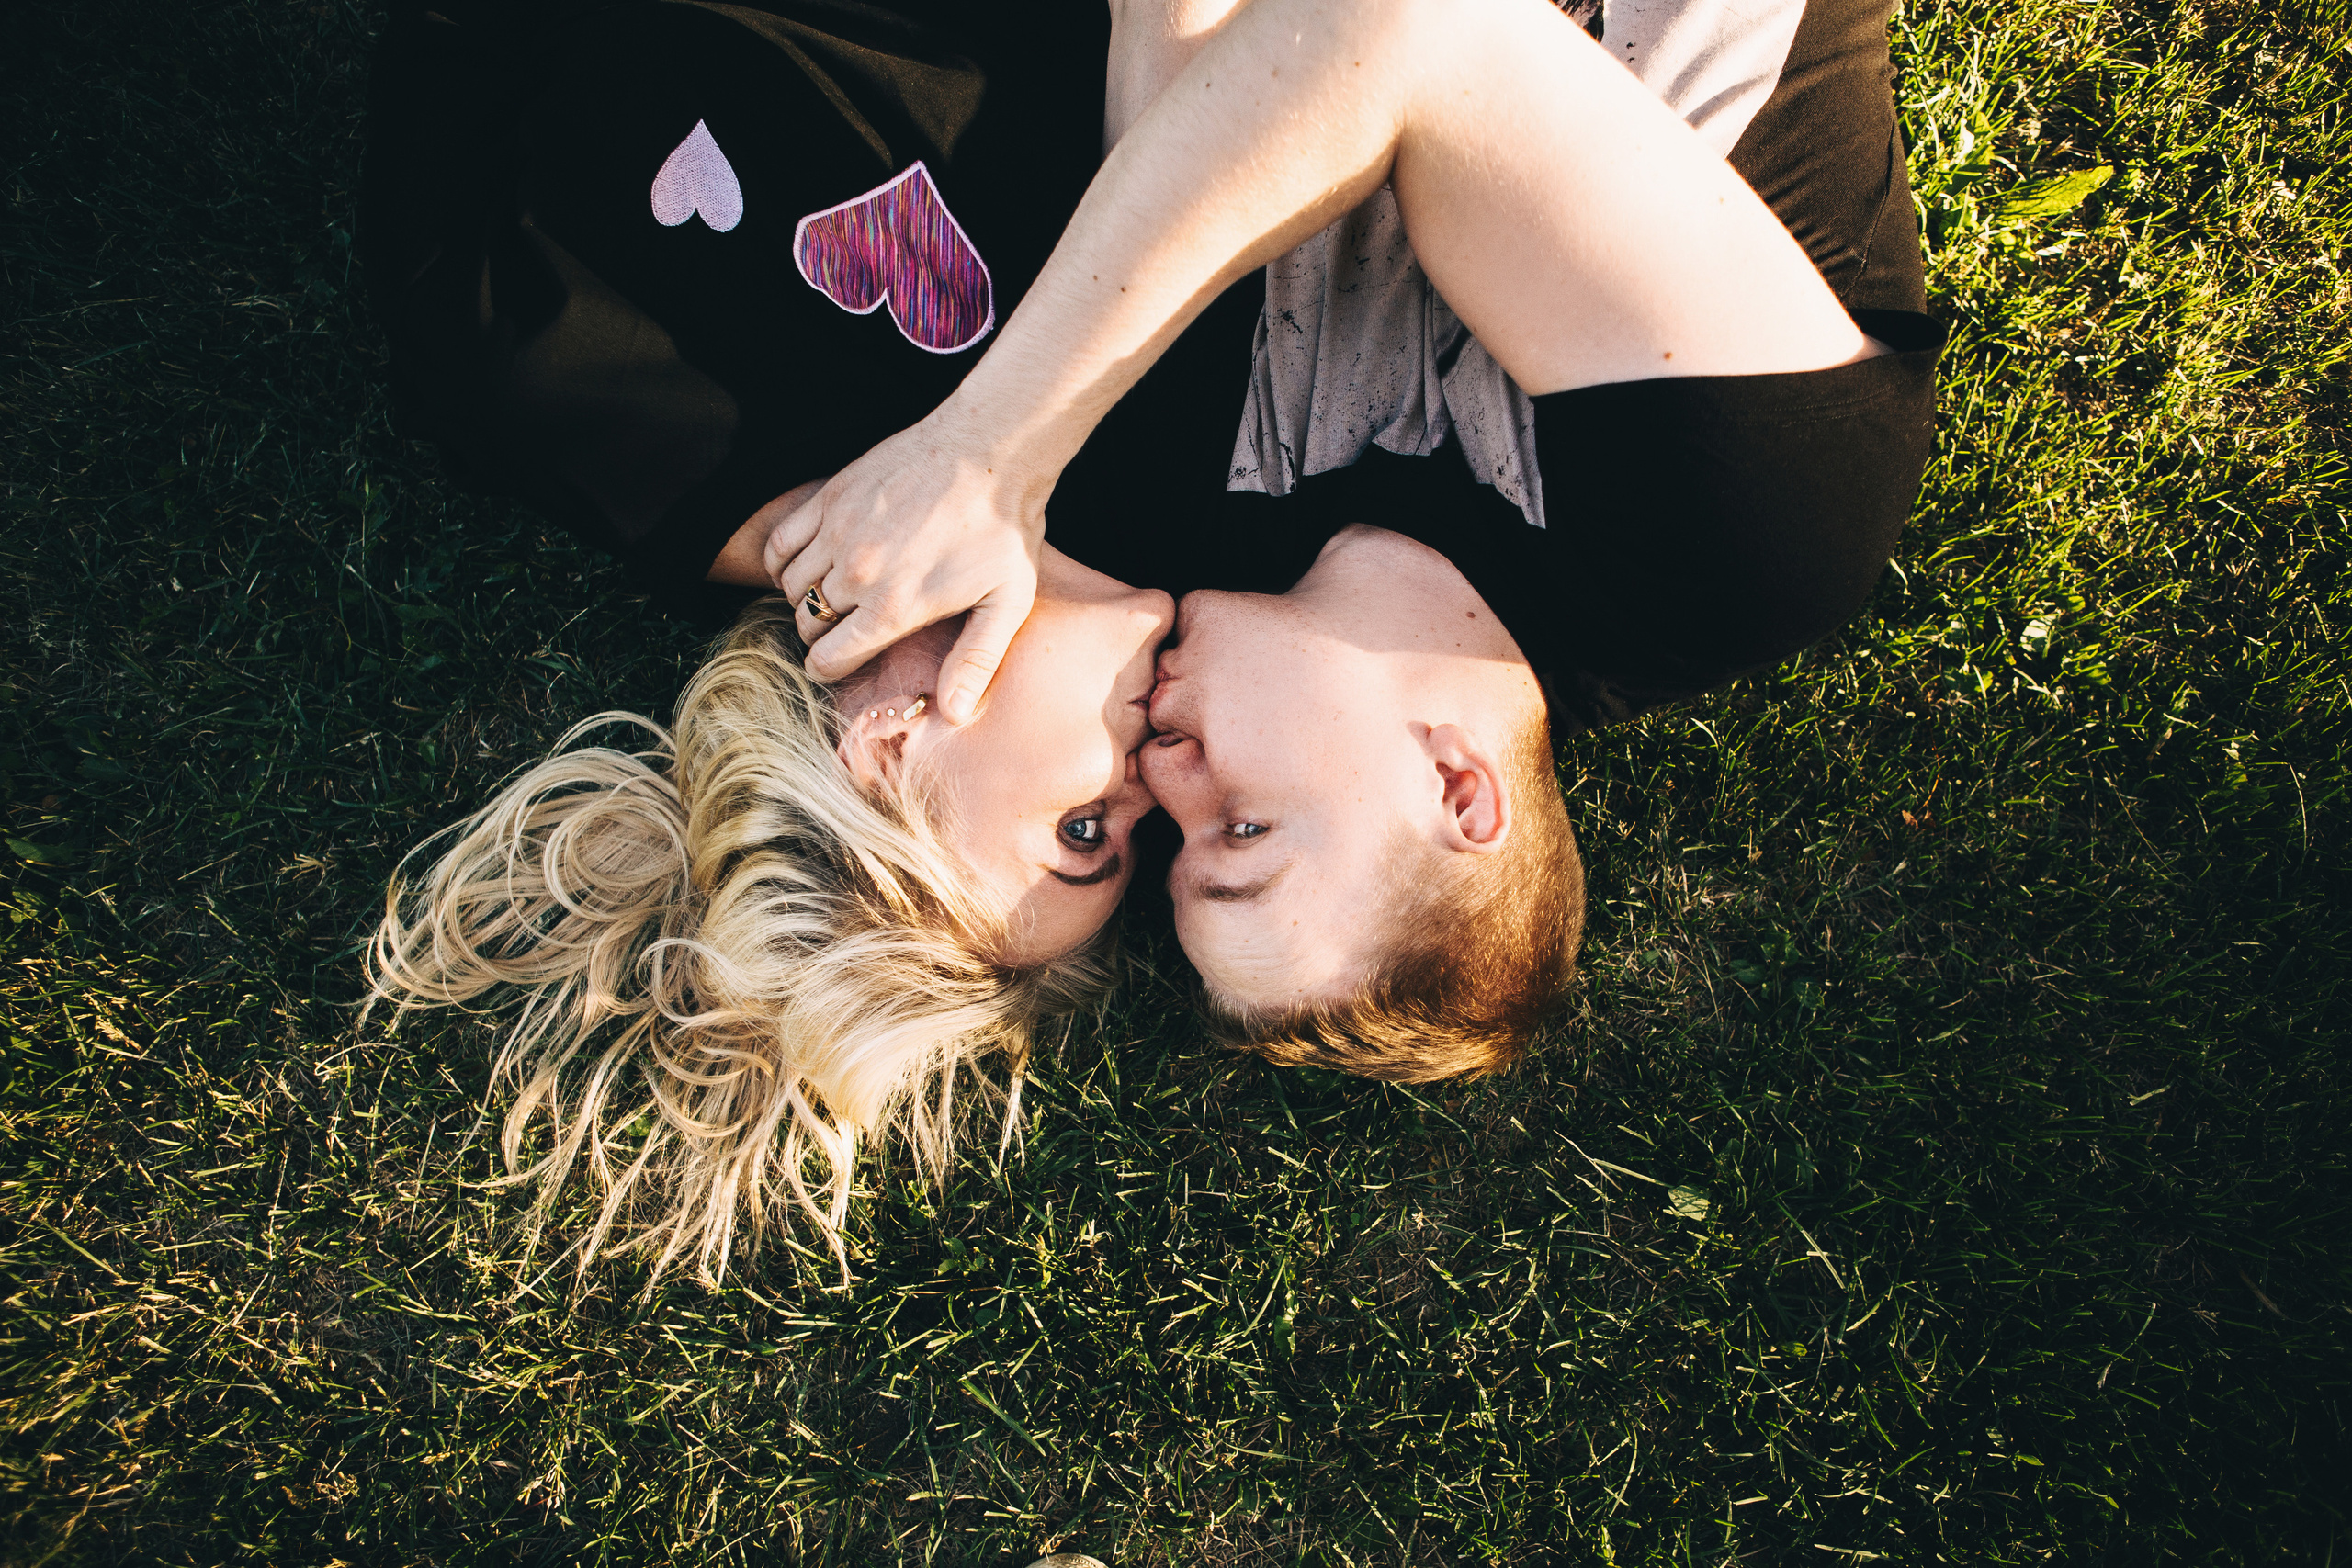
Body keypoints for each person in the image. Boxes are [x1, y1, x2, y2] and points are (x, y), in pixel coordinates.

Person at [765, 0, 1939, 1079]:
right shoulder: (1734, 555)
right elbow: (1416, 33)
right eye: (1241, 828)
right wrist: (997, 442)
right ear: (1455, 784)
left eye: (1167, 840)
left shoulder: (1161, 535)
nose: (1162, 772)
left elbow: (1193, 33)